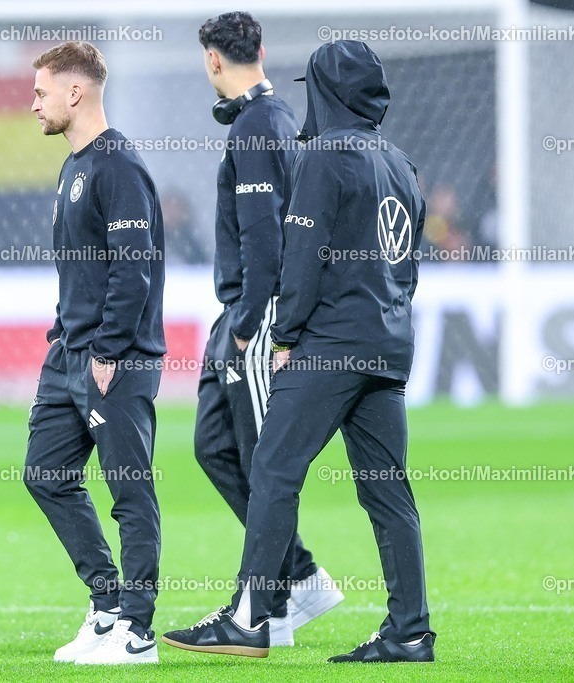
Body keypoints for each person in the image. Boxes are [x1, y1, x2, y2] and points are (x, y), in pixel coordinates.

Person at [162, 40, 436, 664]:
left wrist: (284, 336)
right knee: (388, 491)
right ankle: (410, 631)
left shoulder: (323, 157)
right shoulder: (400, 161)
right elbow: (408, 263)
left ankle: (251, 618)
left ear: (326, 92)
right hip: (388, 343)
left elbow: (303, 258)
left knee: (273, 469)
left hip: (329, 345)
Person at [193, 11, 343, 649]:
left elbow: (264, 236)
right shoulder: (276, 120)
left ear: (213, 59)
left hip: (256, 315)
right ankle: (297, 578)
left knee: (262, 461)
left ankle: (263, 608)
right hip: (242, 309)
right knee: (215, 446)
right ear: (261, 49)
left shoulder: (256, 125)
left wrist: (250, 322)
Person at [23, 41, 166, 666]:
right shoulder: (72, 167)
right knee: (46, 474)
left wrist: (108, 349)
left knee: (129, 490)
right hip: (69, 355)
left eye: (41, 93)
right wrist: (64, 335)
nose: (34, 105)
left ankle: (138, 631)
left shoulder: (119, 166)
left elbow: (133, 268)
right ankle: (107, 603)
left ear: (75, 92)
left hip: (115, 358)